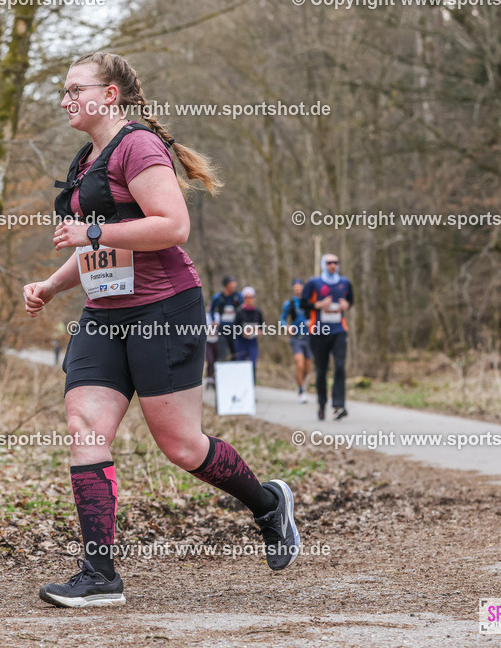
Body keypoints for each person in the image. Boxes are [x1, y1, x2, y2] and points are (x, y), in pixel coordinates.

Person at [23, 52, 300, 608]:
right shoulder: (86, 160)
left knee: (180, 445)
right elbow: (102, 247)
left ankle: (267, 502)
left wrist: (92, 229)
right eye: (63, 89)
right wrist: (53, 286)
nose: (65, 98)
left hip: (163, 310)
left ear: (110, 95)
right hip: (105, 315)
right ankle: (99, 574)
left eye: (76, 88)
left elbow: (173, 226)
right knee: (84, 424)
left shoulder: (137, 146)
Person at [301, 254, 354, 421]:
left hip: (339, 331)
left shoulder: (344, 282)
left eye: (336, 263)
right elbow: (303, 304)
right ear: (323, 264)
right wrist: (318, 305)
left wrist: (347, 305)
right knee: (322, 370)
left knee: (339, 367)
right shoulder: (313, 283)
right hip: (318, 332)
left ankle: (339, 406)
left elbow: (350, 301)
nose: (333, 265)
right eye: (329, 262)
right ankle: (322, 404)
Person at [280, 279, 312, 403]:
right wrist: (287, 327)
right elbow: (282, 319)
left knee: (307, 368)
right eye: (296, 287)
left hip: (309, 338)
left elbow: (316, 316)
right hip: (296, 338)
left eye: (300, 287)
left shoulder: (309, 302)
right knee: (299, 364)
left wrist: (313, 323)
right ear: (293, 288)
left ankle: (301, 383)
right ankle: (301, 390)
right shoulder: (289, 303)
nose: (298, 289)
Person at [232, 286, 264, 380]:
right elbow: (233, 327)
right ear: (243, 298)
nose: (248, 299)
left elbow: (261, 326)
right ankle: (240, 383)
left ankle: (252, 384)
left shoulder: (258, 312)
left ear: (253, 298)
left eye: (250, 297)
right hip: (241, 341)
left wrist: (260, 331)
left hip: (252, 341)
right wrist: (242, 332)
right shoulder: (239, 311)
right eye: (246, 297)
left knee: (253, 362)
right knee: (241, 363)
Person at [210, 276, 242, 360]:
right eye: (232, 286)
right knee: (222, 353)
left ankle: (235, 371)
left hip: (235, 329)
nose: (234, 288)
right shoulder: (218, 298)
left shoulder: (238, 296)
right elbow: (212, 310)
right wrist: (214, 320)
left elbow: (243, 310)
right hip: (222, 329)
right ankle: (218, 371)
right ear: (226, 286)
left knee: (236, 353)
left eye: (234, 286)